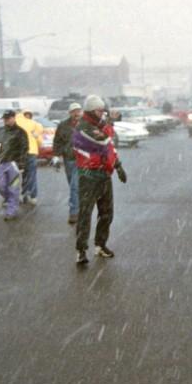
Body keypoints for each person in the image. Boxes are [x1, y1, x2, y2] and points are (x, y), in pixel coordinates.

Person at [72, 95, 127, 265]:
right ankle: (81, 250)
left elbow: (110, 148)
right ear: (90, 110)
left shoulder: (100, 125)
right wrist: (109, 124)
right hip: (88, 175)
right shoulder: (82, 127)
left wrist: (118, 166)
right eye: (98, 110)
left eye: (103, 110)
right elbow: (104, 142)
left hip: (104, 174)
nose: (101, 113)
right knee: (85, 214)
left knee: (106, 213)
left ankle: (100, 245)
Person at [53, 103, 83, 224]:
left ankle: (74, 212)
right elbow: (57, 141)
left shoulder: (86, 124)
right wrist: (56, 155)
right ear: (70, 113)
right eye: (74, 111)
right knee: (73, 184)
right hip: (68, 158)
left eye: (78, 111)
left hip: (82, 159)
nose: (76, 114)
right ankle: (80, 206)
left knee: (74, 186)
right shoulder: (63, 125)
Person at [0, 110, 29, 221]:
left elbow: (24, 148)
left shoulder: (20, 132)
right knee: (1, 186)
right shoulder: (1, 131)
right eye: (5, 119)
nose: (6, 121)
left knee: (13, 188)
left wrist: (21, 163)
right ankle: (10, 200)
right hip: (2, 162)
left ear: (13, 118)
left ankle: (11, 210)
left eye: (8, 118)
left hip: (14, 163)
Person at [16, 110, 43, 205]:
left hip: (20, 153)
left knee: (24, 174)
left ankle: (24, 194)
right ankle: (33, 196)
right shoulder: (34, 124)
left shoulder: (17, 123)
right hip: (31, 152)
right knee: (32, 174)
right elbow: (40, 142)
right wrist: (36, 138)